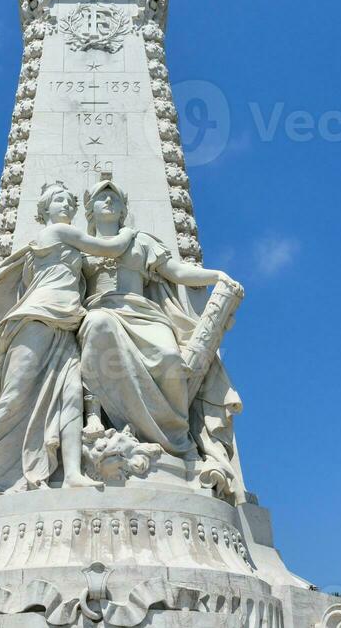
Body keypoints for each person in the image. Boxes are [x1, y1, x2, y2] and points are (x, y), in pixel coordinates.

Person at [0, 181, 134, 540]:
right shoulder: (59, 232)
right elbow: (111, 246)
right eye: (59, 199)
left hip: (67, 323)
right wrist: (129, 233)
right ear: (44, 210)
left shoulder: (65, 240)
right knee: (12, 397)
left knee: (71, 394)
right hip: (36, 320)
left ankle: (73, 473)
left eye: (68, 199)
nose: (67, 203)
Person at [77, 178, 243, 491]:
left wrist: (216, 275)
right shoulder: (82, 249)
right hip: (102, 312)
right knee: (98, 324)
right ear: (91, 209)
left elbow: (177, 272)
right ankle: (98, 418)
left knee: (170, 359)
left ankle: (174, 435)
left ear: (125, 208)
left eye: (115, 198)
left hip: (144, 315)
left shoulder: (140, 241)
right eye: (102, 198)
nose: (109, 202)